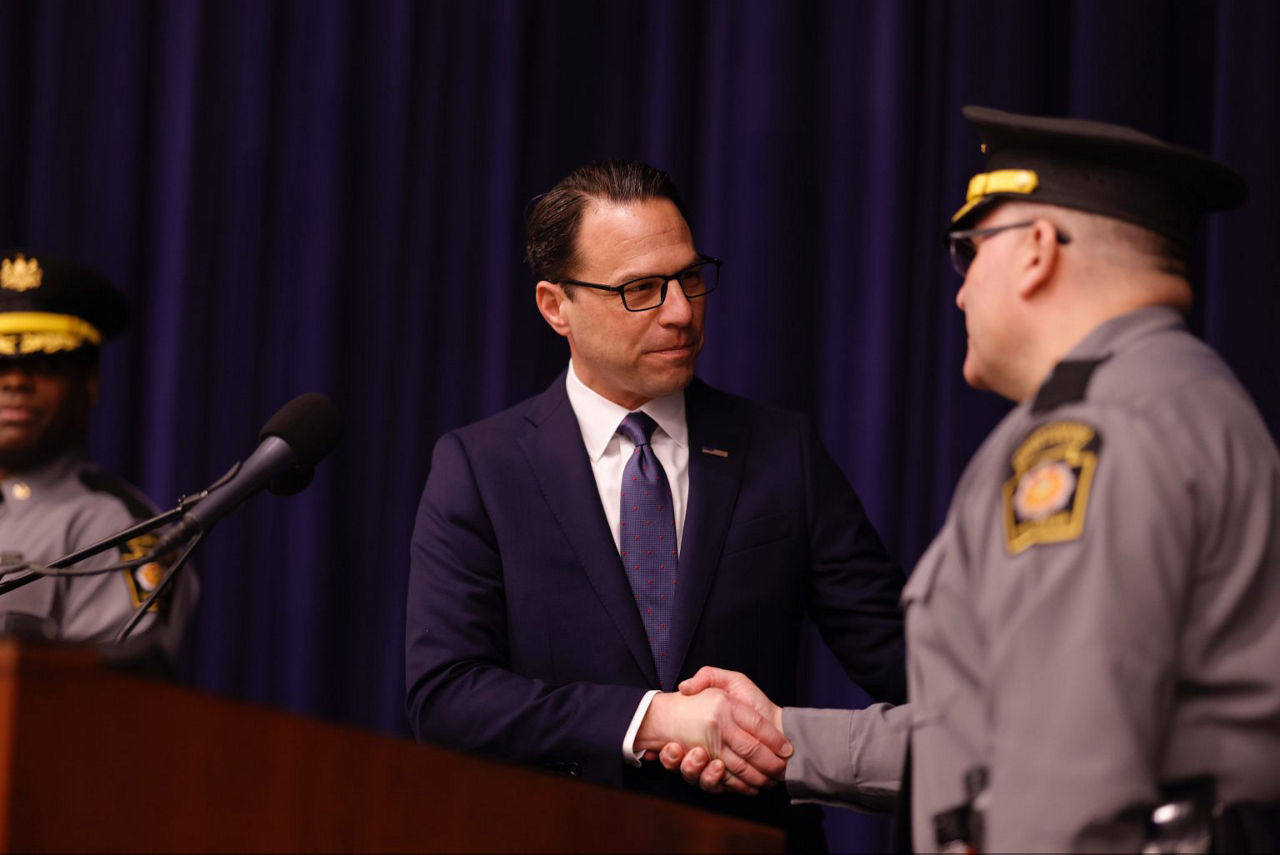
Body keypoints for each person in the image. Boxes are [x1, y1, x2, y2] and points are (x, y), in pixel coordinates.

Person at [666, 106, 1280, 853]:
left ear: (1037, 252)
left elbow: (1062, 785)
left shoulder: (1098, 436)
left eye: (969, 250)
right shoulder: (1172, 400)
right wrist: (783, 735)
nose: (958, 290)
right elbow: (1004, 730)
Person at [405, 159, 907, 850]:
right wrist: (652, 718)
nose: (680, 312)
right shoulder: (480, 467)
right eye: (641, 289)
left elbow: (906, 658)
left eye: (691, 278)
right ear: (556, 306)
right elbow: (448, 697)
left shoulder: (780, 450)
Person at [0, 250, 195, 664]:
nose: (15, 380)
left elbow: (107, 707)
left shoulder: (120, 531)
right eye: (1, 363)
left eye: (45, 362)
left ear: (88, 385)